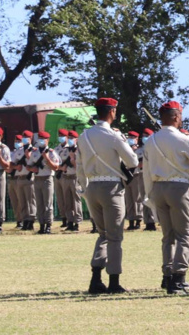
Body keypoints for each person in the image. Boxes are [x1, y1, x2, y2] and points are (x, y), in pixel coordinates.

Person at [142, 101, 189, 294]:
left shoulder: (151, 140)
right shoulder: (183, 139)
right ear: (175, 116)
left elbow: (146, 171)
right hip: (178, 188)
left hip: (157, 188)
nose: (180, 118)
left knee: (168, 236)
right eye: (179, 115)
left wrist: (149, 195)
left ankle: (167, 275)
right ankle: (178, 278)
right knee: (184, 235)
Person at [76, 97, 140, 294]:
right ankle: (113, 281)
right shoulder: (113, 136)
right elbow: (132, 161)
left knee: (103, 234)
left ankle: (96, 278)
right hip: (111, 187)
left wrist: (83, 188)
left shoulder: (83, 136)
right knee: (114, 237)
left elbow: (79, 166)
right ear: (112, 112)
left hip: (91, 186)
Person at [26, 131, 61, 234]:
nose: (41, 141)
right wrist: (33, 169)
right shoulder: (35, 153)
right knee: (39, 204)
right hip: (37, 179)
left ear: (47, 140)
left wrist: (46, 158)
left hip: (47, 179)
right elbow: (28, 166)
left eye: (43, 139)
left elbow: (56, 167)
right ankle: (41, 225)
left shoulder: (51, 152)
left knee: (48, 204)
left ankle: (48, 225)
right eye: (40, 139)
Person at [13, 131, 37, 231]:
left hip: (29, 177)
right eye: (23, 137)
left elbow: (35, 163)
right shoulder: (19, 150)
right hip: (20, 177)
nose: (24, 139)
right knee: (22, 201)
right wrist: (16, 166)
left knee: (30, 200)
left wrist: (28, 156)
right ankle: (25, 220)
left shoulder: (34, 150)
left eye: (26, 137)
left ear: (30, 138)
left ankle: (31, 220)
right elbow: (11, 164)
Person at [60, 130, 82, 231]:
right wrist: (62, 168)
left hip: (75, 177)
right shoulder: (65, 150)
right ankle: (70, 222)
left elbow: (80, 167)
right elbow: (59, 163)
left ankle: (77, 222)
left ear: (76, 139)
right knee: (67, 201)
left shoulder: (79, 150)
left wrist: (73, 160)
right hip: (66, 177)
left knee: (76, 200)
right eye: (68, 138)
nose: (70, 140)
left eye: (72, 138)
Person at [139, 129, 157, 231]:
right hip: (141, 174)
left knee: (152, 197)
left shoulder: (155, 148)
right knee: (144, 198)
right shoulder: (141, 149)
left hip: (153, 175)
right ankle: (148, 222)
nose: (144, 137)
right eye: (143, 135)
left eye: (147, 135)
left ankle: (155, 220)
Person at [124, 131, 143, 231]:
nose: (130, 138)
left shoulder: (140, 150)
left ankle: (138, 220)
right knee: (129, 199)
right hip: (126, 176)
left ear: (137, 138)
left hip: (136, 175)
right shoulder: (125, 149)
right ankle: (131, 220)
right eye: (129, 136)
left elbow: (140, 163)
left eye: (132, 137)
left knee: (137, 198)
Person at [54, 129, 69, 228]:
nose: (61, 137)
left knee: (67, 198)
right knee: (60, 198)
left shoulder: (70, 148)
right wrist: (59, 168)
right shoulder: (56, 149)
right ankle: (63, 218)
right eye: (59, 135)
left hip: (66, 175)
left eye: (62, 135)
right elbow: (53, 162)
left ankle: (70, 219)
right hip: (57, 175)